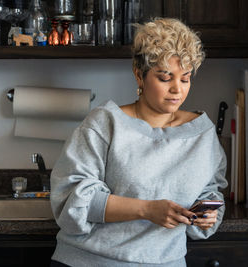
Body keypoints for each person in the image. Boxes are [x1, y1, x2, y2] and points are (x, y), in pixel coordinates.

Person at [50, 18, 228, 267]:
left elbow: (211, 191)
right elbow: (71, 200)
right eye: (165, 78)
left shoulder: (203, 133)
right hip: (91, 261)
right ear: (139, 75)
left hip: (167, 261)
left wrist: (207, 215)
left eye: (185, 78)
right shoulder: (106, 124)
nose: (177, 89)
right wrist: (146, 210)